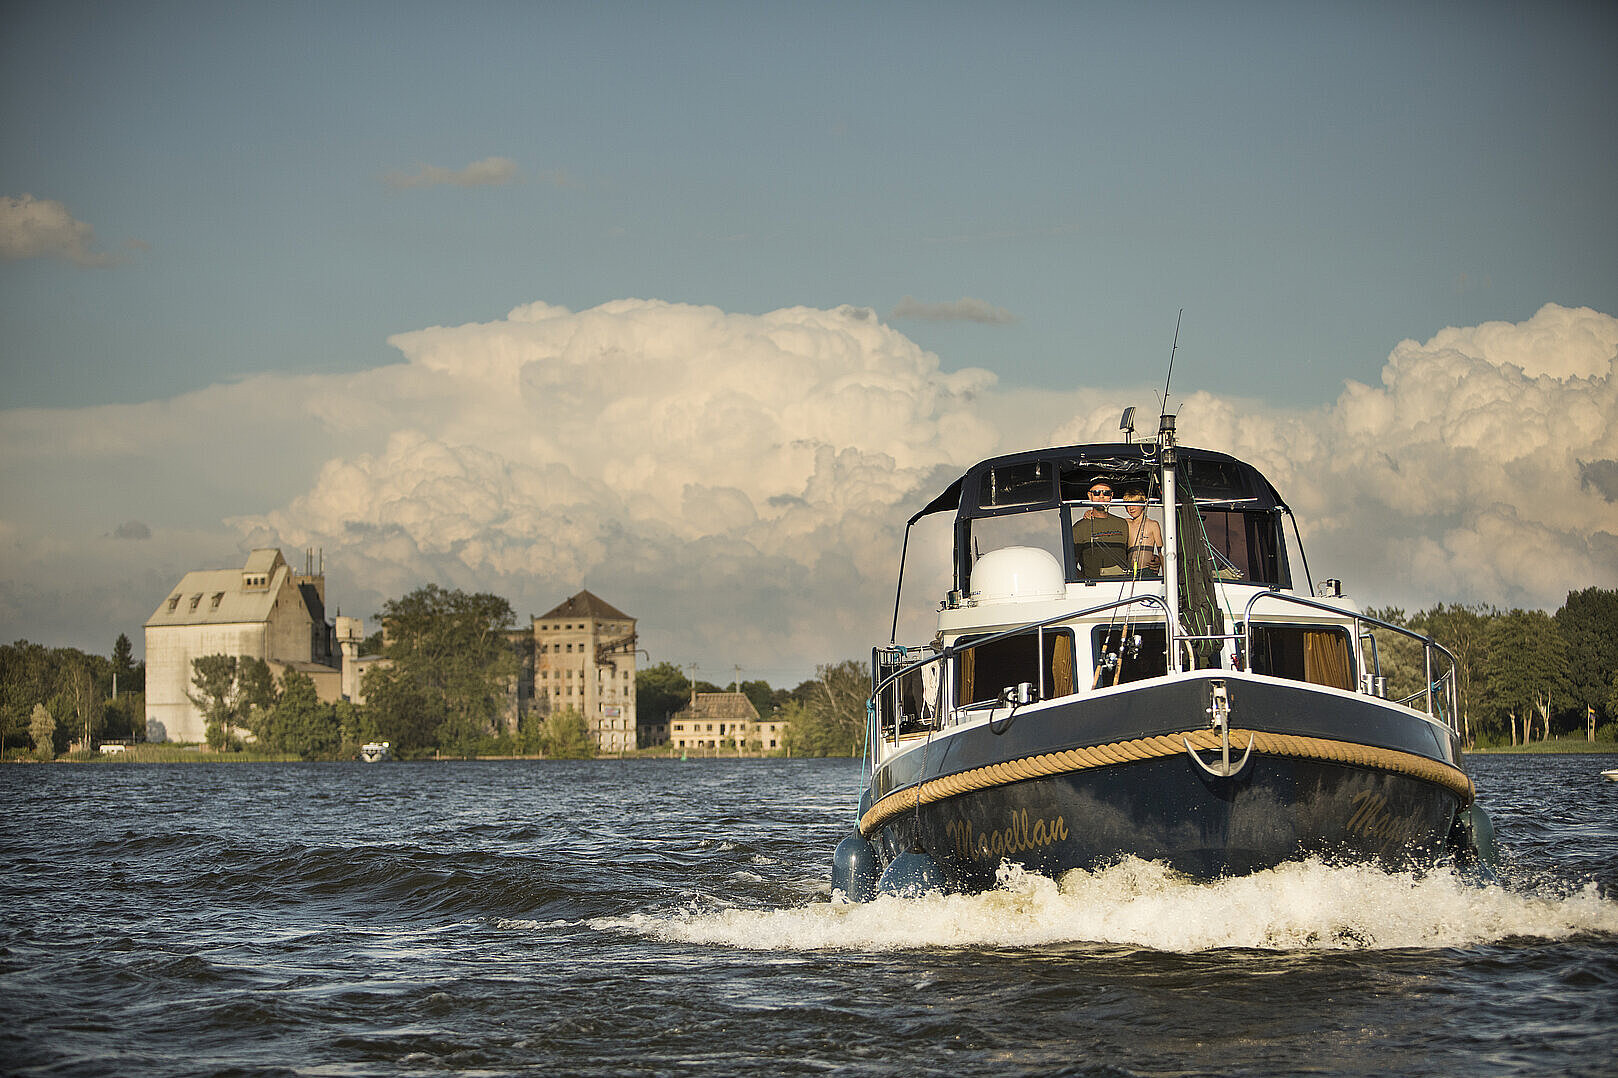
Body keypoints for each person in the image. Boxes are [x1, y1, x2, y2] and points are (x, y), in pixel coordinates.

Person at [1071, 478, 1129, 576]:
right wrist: (1085, 581)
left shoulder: (1122, 523)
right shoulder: (1079, 527)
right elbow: (1072, 564)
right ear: (1090, 495)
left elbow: (1132, 555)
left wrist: (1154, 559)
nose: (1101, 496)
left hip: (1123, 583)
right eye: (1096, 493)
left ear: (1111, 496)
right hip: (1094, 585)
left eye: (1106, 493)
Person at [1120, 489, 1163, 572]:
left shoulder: (1153, 524)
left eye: (1134, 504)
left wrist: (1165, 576)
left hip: (1147, 570)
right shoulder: (1126, 523)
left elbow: (1161, 552)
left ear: (1143, 505)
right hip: (1130, 571)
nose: (1131, 508)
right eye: (1127, 505)